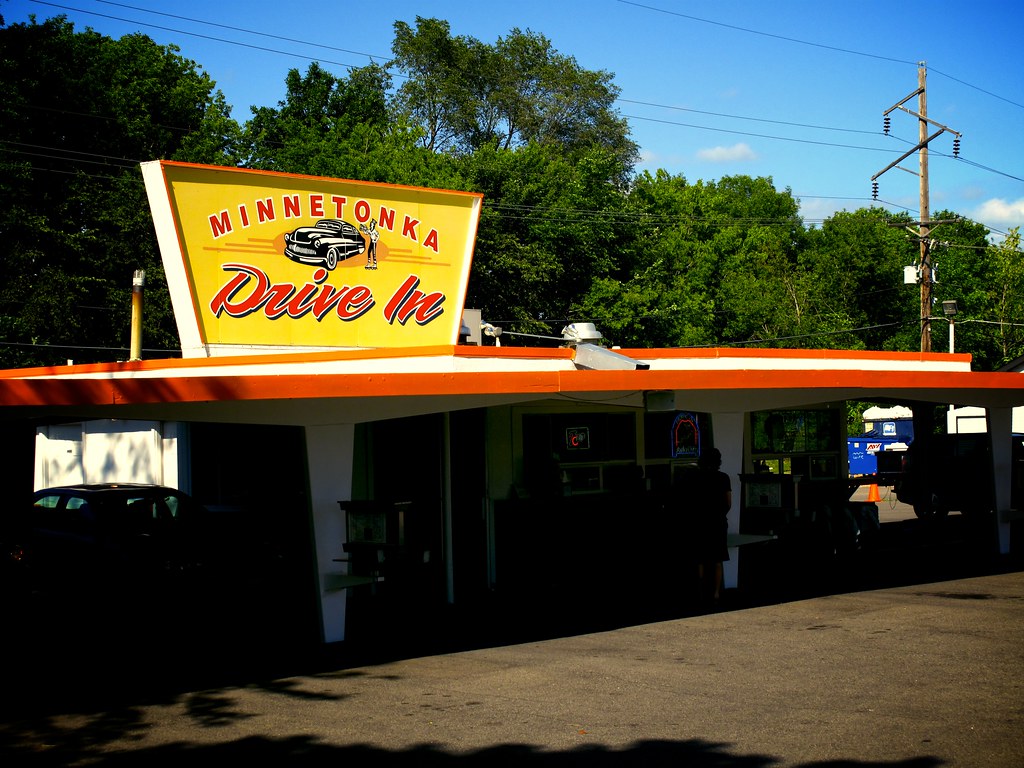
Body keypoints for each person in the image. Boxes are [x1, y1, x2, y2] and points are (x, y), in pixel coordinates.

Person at [685, 447, 732, 606]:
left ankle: (700, 590)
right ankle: (716, 592)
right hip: (718, 522)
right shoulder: (724, 478)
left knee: (700, 559)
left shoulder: (695, 478)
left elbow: (691, 502)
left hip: (700, 522)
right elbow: (728, 503)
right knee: (718, 559)